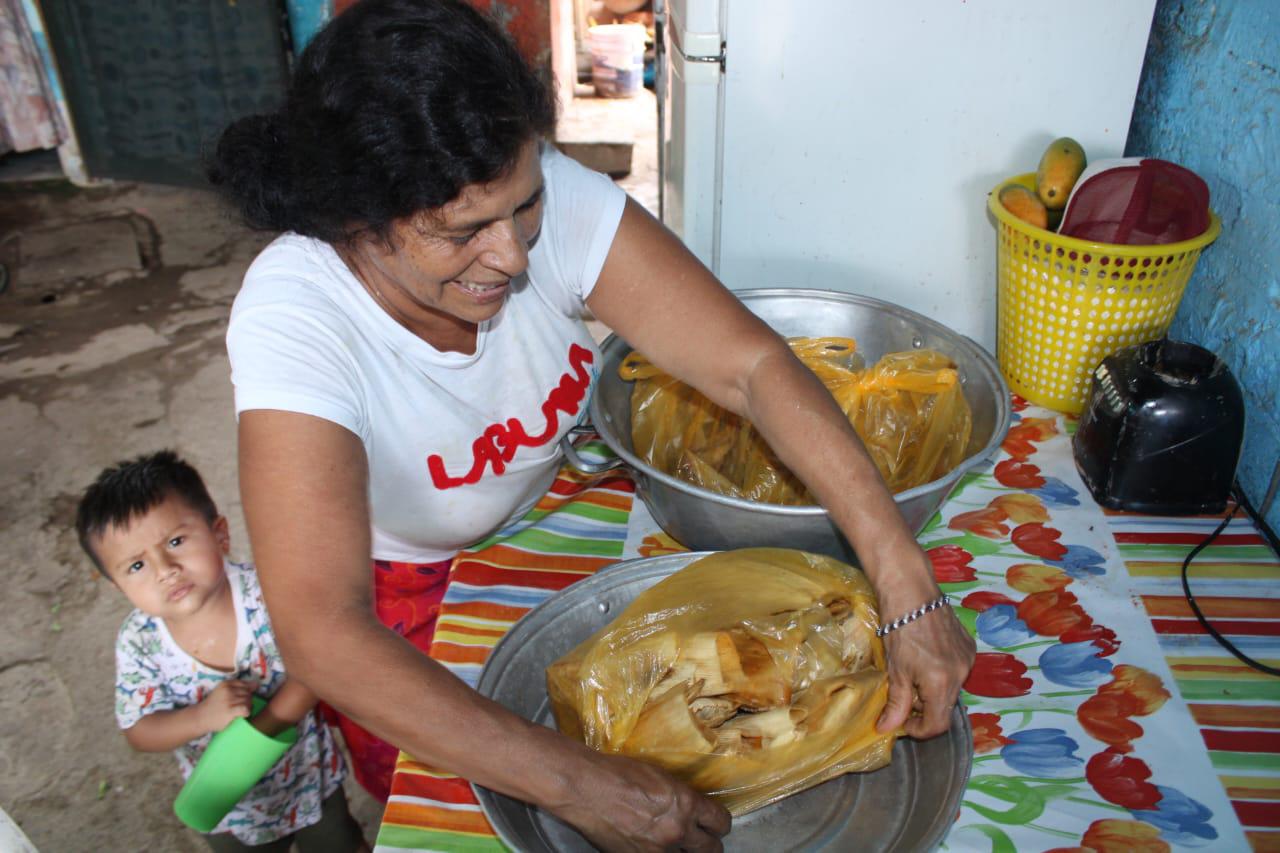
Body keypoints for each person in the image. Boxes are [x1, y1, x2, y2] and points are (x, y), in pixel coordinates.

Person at [208, 0, 975, 848]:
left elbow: (752, 369)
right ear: (358, 220)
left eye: (524, 208)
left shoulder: (526, 192)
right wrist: (579, 784)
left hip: (558, 509)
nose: (512, 255)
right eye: (463, 233)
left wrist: (905, 581)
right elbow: (321, 630)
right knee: (449, 810)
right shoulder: (296, 314)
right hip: (407, 600)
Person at [76, 451, 367, 853]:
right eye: (136, 566)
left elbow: (318, 660)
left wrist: (266, 723)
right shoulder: (139, 643)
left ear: (220, 534)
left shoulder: (268, 594)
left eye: (176, 541)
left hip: (310, 776)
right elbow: (139, 730)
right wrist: (201, 717)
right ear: (116, 585)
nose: (165, 569)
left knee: (339, 844)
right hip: (229, 802)